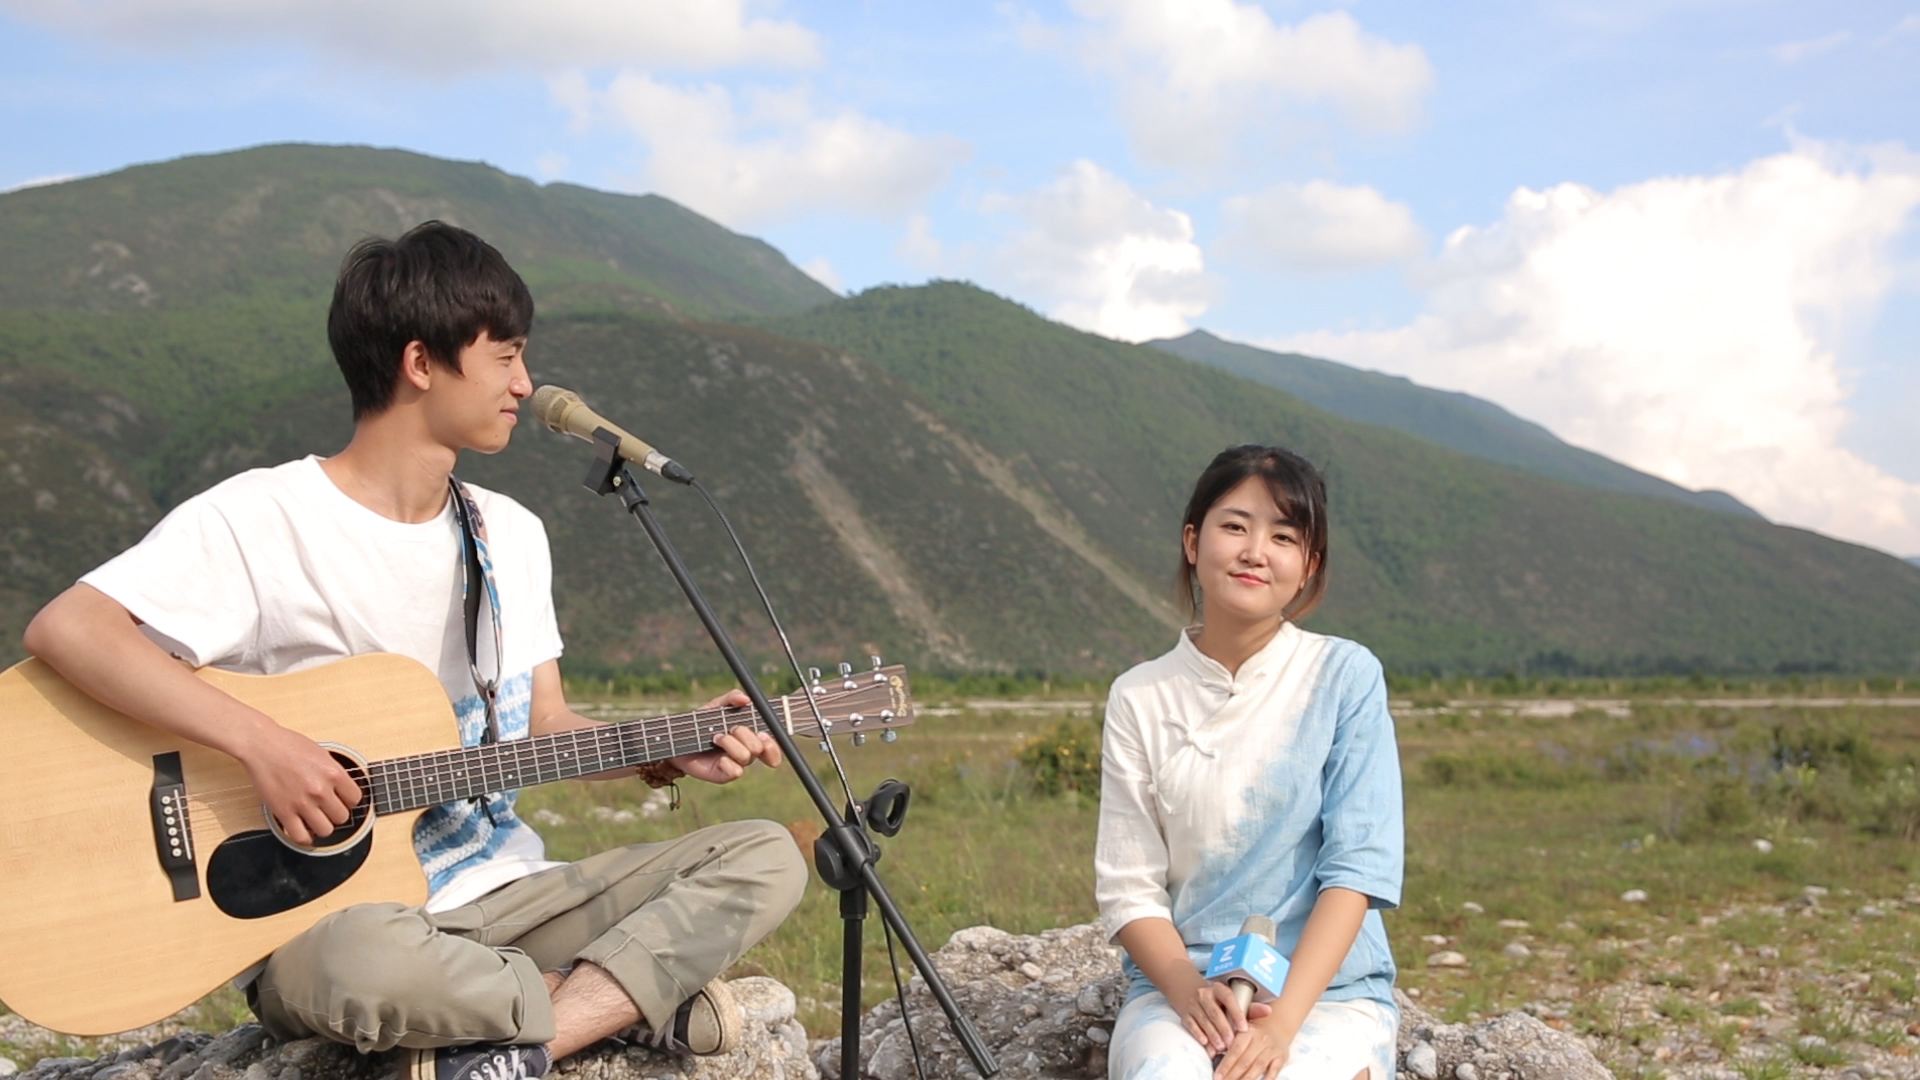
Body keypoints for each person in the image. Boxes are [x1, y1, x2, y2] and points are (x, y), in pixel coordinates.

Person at [22, 221, 808, 1080]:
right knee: (360, 965)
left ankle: (532, 1037)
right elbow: (71, 628)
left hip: (515, 898)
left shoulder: (510, 533)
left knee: (763, 855)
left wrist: (665, 749)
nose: (525, 385)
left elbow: (541, 727)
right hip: (338, 924)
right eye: (506, 356)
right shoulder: (260, 519)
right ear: (421, 363)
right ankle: (624, 1000)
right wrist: (265, 745)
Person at [1095, 445, 1404, 1080]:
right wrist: (1187, 990)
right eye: (1234, 526)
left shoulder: (1344, 676)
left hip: (1327, 998)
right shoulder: (1139, 695)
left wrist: (1281, 1026)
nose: (1255, 552)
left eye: (1283, 537)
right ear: (1192, 541)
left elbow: (1357, 869)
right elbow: (1129, 885)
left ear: (1309, 564)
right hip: (1182, 992)